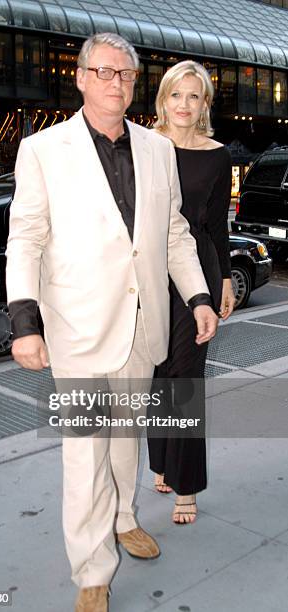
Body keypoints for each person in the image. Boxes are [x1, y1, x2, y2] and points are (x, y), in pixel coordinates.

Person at [6, 34, 218, 612]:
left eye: (125, 74)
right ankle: (92, 570)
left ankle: (124, 518)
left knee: (124, 442)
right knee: (85, 452)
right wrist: (25, 321)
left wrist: (198, 295)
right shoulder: (44, 149)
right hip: (76, 329)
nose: (115, 82)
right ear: (79, 78)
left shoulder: (157, 150)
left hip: (140, 328)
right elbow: (25, 239)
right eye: (103, 72)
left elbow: (173, 233)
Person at [148, 60, 236, 524]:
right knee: (159, 371)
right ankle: (163, 460)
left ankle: (186, 486)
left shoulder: (218, 155)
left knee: (186, 374)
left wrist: (222, 279)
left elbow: (218, 223)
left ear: (204, 104)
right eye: (176, 94)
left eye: (194, 96)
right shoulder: (144, 145)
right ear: (163, 98)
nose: (184, 104)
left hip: (196, 267)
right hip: (147, 269)